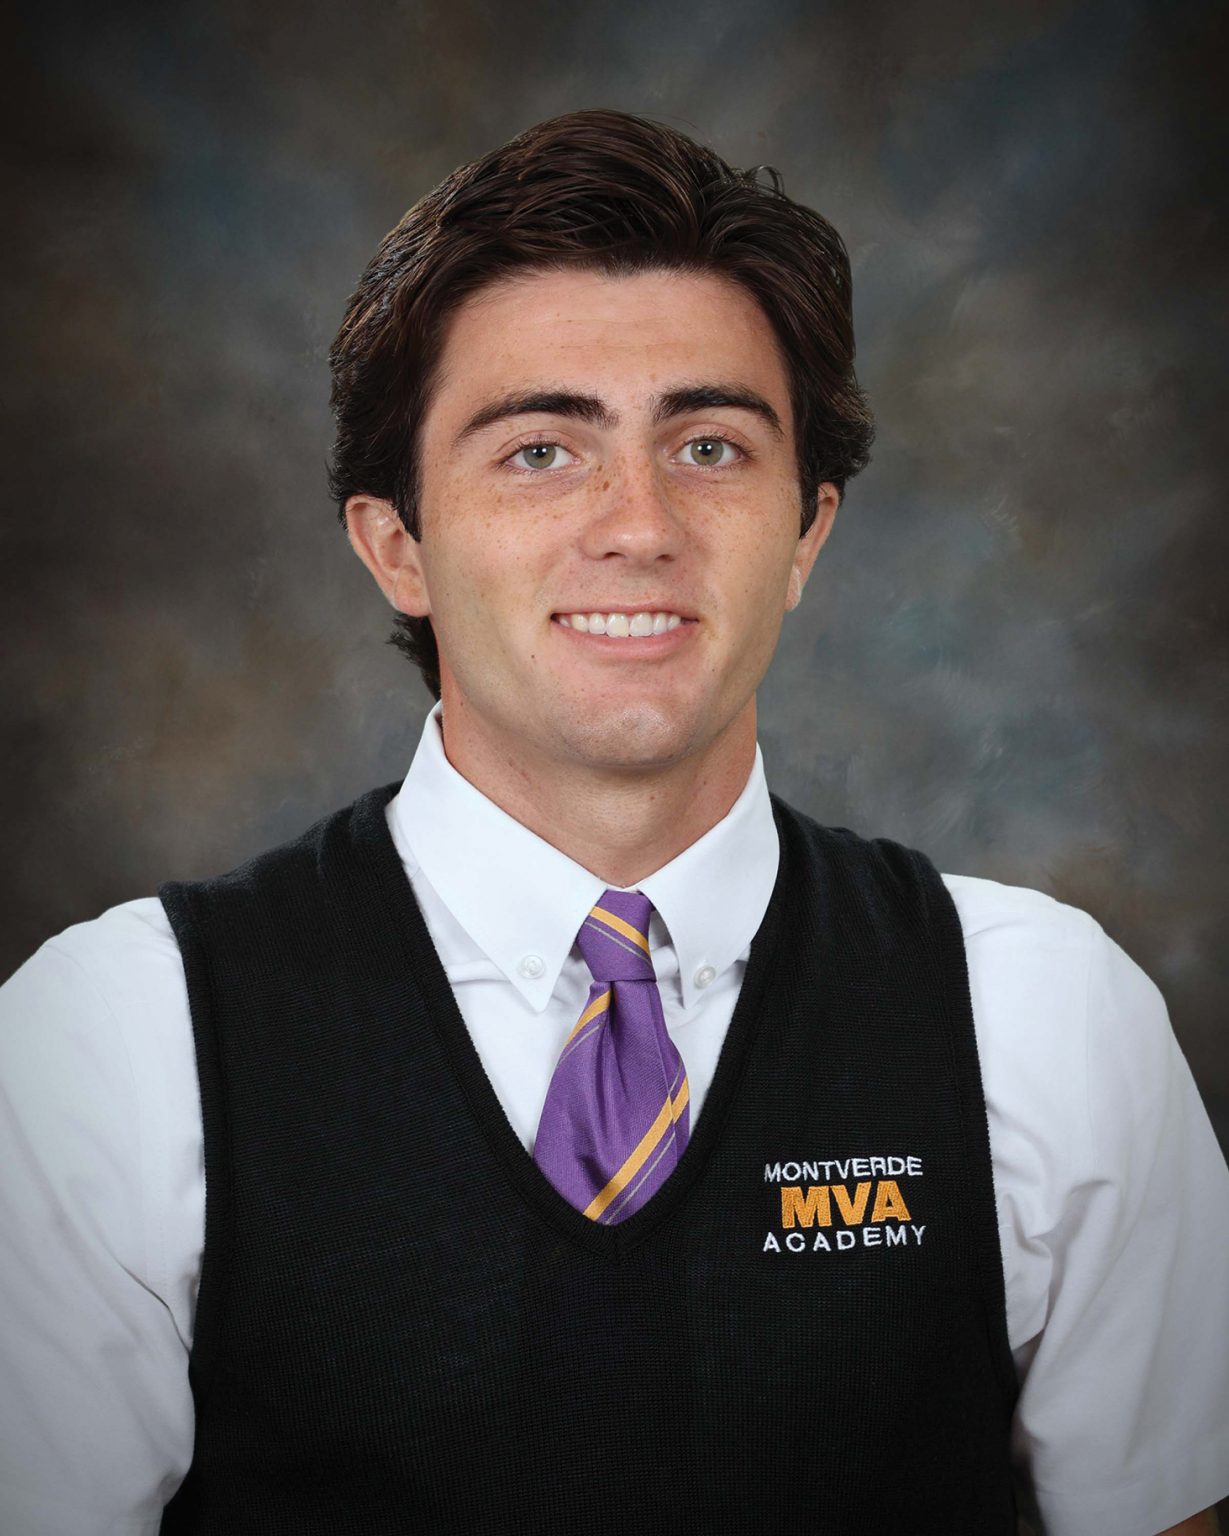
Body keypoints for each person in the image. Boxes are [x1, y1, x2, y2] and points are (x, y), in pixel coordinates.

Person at [1, 108, 1226, 1536]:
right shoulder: (114, 1042)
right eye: (540, 451)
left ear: (807, 534)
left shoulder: (1040, 1016)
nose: (638, 523)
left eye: (709, 445)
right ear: (397, 546)